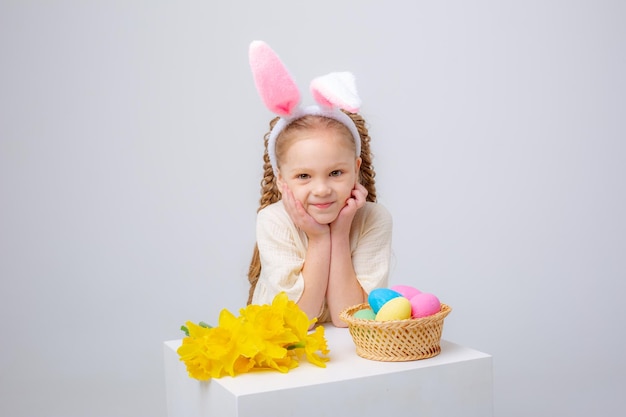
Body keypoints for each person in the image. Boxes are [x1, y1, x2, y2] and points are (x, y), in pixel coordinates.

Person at [246, 41, 392, 327]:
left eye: (336, 173)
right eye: (303, 176)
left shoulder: (373, 218)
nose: (322, 189)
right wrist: (318, 238)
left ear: (356, 169)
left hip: (346, 355)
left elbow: (350, 318)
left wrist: (339, 233)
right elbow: (298, 321)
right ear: (281, 179)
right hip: (290, 353)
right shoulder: (273, 220)